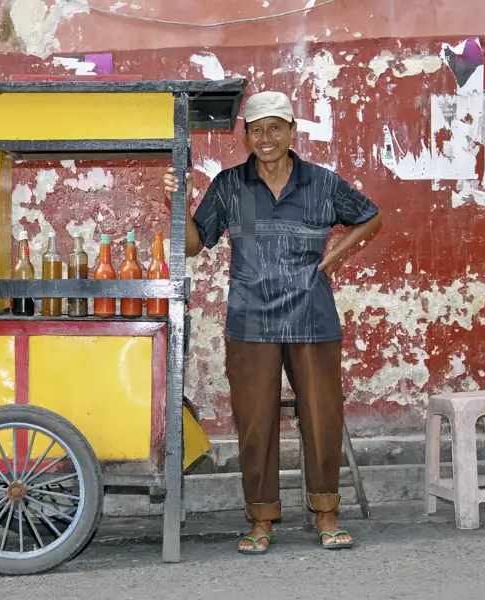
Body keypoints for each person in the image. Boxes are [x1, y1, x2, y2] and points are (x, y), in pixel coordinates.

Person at [164, 91, 382, 554]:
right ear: (246, 135)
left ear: (291, 131)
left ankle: (326, 513)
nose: (266, 138)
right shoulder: (228, 185)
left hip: (313, 316)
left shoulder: (322, 183)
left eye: (275, 127)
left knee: (322, 417)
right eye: (256, 129)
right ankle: (261, 519)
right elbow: (190, 246)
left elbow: (370, 215)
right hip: (250, 320)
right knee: (255, 422)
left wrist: (335, 258)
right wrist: (177, 205)